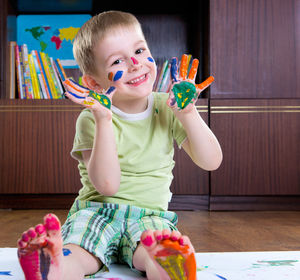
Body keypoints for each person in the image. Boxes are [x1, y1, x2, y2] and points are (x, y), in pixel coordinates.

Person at [17, 10, 222, 280]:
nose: (136, 64)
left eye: (139, 51)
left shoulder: (168, 107)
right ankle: (53, 265)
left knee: (156, 246)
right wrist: (104, 120)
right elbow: (107, 185)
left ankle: (170, 265)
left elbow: (211, 161)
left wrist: (188, 114)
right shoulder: (91, 119)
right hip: (96, 212)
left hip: (150, 216)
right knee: (79, 250)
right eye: (117, 61)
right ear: (93, 83)